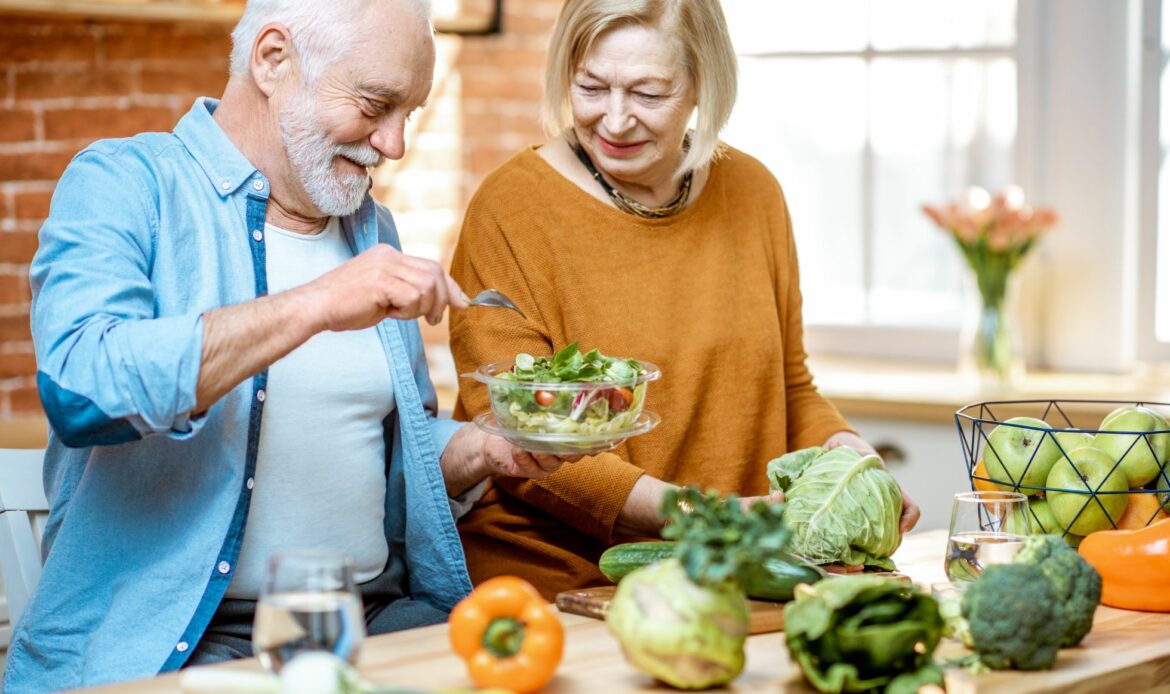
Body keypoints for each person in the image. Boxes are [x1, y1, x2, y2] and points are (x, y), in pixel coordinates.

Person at [5, 0, 573, 690]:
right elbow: (82, 389)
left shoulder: (372, 229)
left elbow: (379, 459)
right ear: (273, 59)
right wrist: (317, 304)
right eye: (375, 104)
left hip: (373, 620)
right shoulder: (126, 184)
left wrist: (485, 450)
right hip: (182, 643)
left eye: (411, 115)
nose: (393, 144)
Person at [448, 0, 921, 599]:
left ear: (703, 85)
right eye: (591, 86)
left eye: (648, 93)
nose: (615, 121)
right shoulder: (511, 209)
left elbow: (789, 387)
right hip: (568, 587)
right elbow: (517, 437)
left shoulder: (754, 194)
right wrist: (705, 516)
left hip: (734, 574)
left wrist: (852, 461)